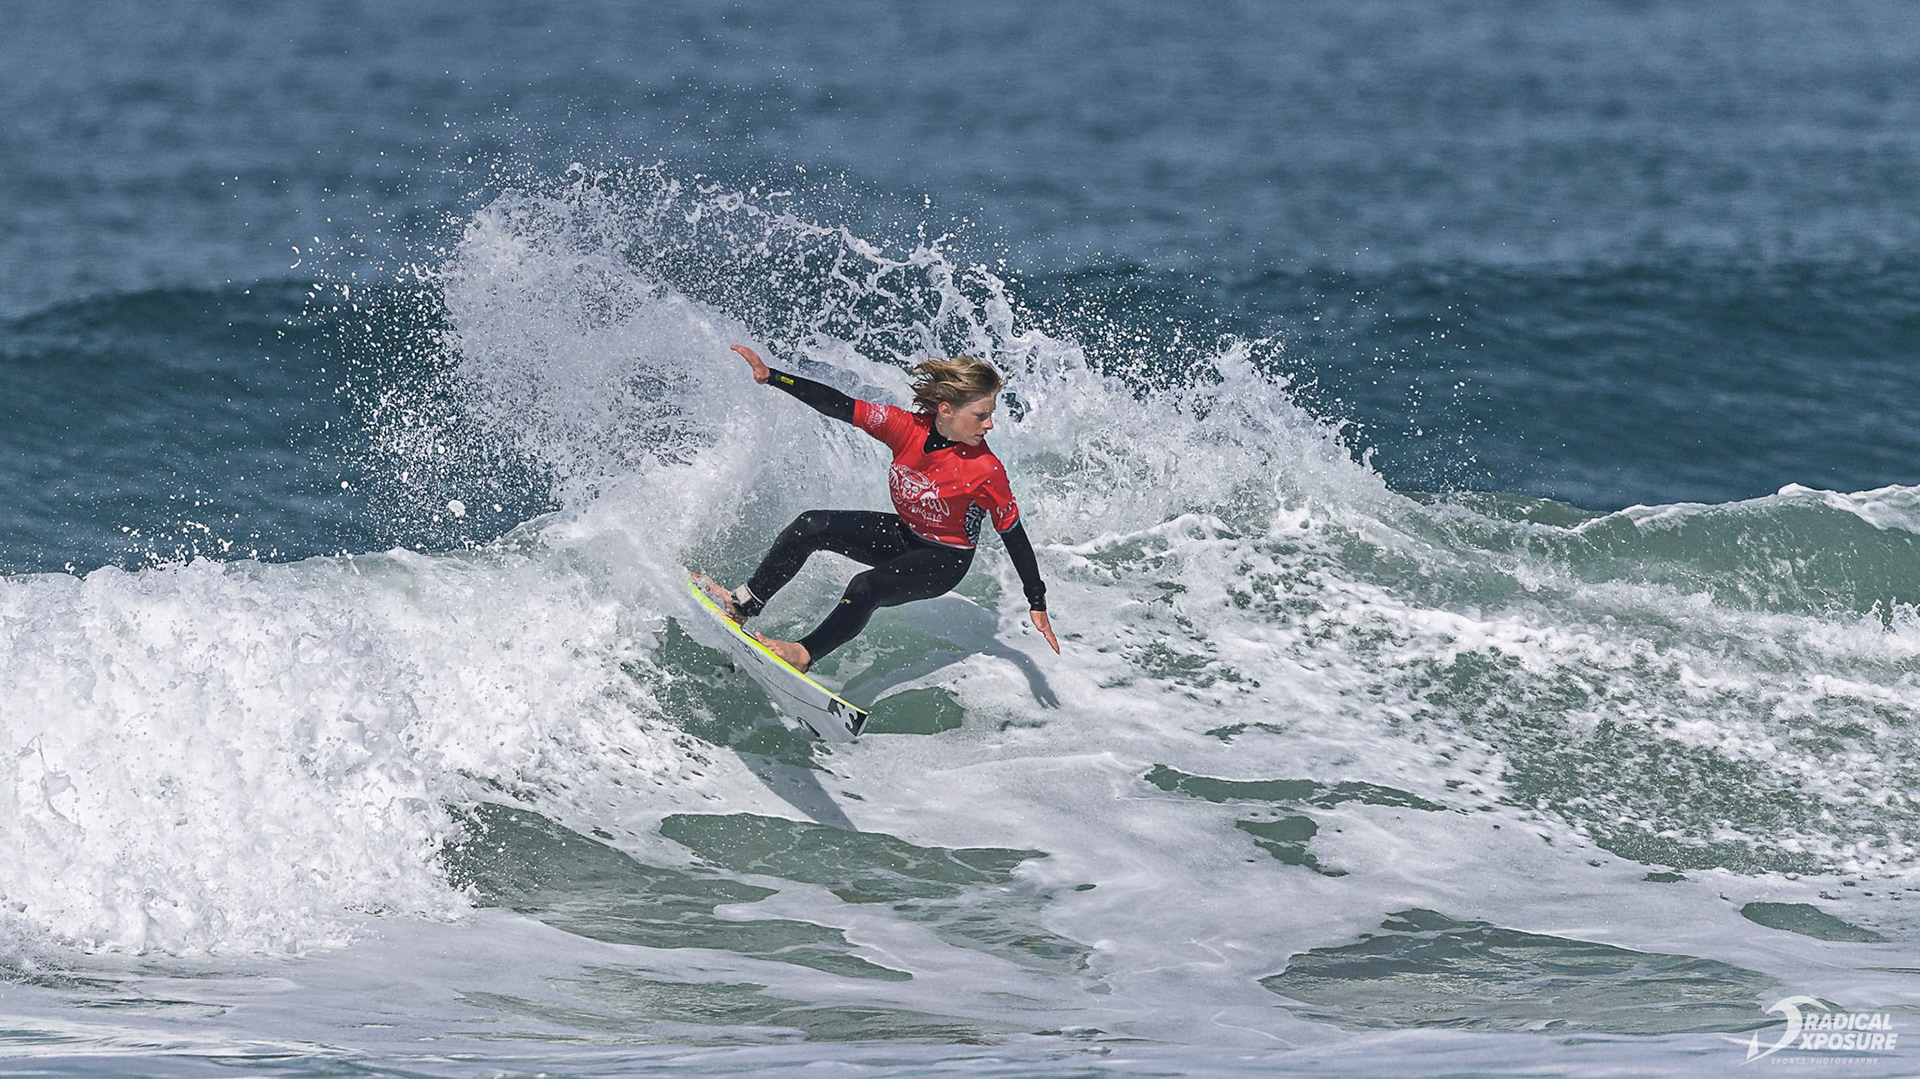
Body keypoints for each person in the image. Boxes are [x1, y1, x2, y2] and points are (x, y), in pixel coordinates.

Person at [706, 343, 1058, 673]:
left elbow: (1013, 534)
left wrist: (1036, 599)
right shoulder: (905, 428)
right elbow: (839, 405)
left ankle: (803, 654)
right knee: (810, 525)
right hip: (906, 535)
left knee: (867, 586)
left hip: (945, 559)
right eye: (981, 415)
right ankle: (743, 604)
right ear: (946, 410)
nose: (989, 424)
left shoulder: (986, 470)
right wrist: (772, 377)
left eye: (990, 415)